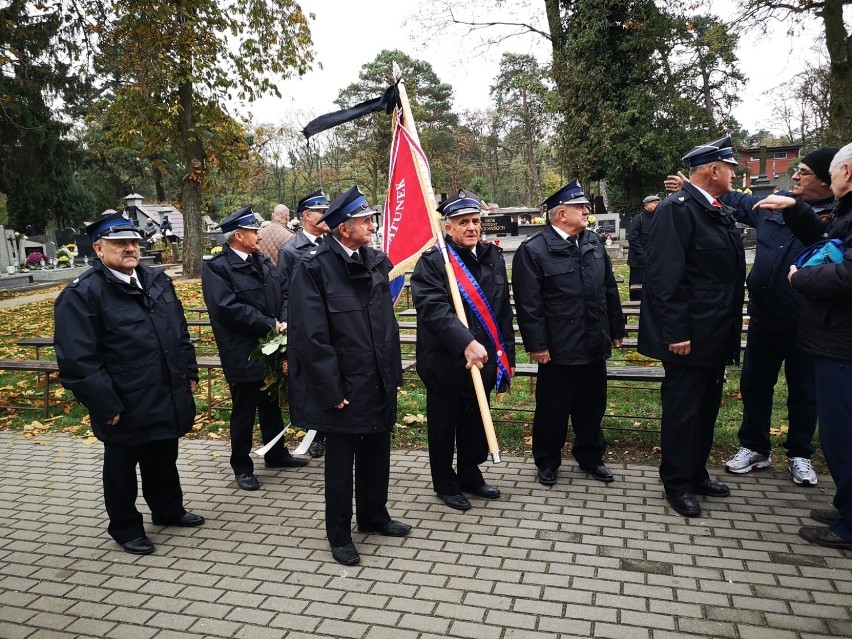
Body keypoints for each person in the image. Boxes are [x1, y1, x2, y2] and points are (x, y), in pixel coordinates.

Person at [666, 147, 838, 486]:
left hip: (808, 323)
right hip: (764, 319)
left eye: (804, 171)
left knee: (804, 391)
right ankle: (755, 446)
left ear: (827, 181)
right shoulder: (773, 204)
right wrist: (696, 184)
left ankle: (800, 452)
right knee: (755, 385)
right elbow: (736, 201)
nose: (797, 176)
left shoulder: (838, 216)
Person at [54, 211, 204, 555]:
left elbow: (178, 332)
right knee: (121, 468)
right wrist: (105, 404)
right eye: (119, 243)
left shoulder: (156, 280)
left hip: (164, 390)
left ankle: (168, 509)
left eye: (134, 242)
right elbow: (78, 361)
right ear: (99, 248)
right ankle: (125, 527)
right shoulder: (83, 295)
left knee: (164, 454)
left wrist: (189, 373)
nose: (130, 248)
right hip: (123, 400)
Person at [287, 186, 410, 566]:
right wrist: (330, 387)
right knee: (341, 466)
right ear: (344, 229)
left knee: (377, 454)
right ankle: (339, 534)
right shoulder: (313, 267)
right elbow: (311, 336)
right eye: (365, 221)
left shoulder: (375, 262)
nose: (373, 226)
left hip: (376, 378)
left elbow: (385, 325)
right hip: (343, 384)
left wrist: (393, 373)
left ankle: (374, 516)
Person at [638, 136, 746, 518]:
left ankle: (696, 473)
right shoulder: (677, 210)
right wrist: (677, 332)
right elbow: (665, 278)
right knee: (684, 411)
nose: (735, 174)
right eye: (730, 168)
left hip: (714, 333)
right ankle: (677, 482)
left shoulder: (714, 209)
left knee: (705, 408)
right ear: (713, 170)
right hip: (689, 336)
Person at [754, 142, 852, 551]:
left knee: (843, 433)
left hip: (843, 344)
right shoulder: (846, 212)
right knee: (838, 433)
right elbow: (830, 241)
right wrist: (794, 211)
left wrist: (800, 280)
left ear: (847, 173)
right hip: (832, 338)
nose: (829, 180)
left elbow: (847, 275)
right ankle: (847, 508)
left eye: (831, 172)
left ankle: (849, 526)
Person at [512, 180, 625, 487]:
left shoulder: (592, 242)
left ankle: (590, 457)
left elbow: (609, 289)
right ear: (561, 214)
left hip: (594, 343)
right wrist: (537, 345)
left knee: (592, 405)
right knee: (553, 410)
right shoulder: (533, 250)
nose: (587, 211)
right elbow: (528, 304)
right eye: (580, 207)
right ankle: (547, 462)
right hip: (559, 349)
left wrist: (616, 328)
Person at [410, 189, 516, 511]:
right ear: (448, 227)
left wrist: (504, 356)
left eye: (475, 221)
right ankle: (445, 483)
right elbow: (432, 308)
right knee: (443, 426)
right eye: (463, 222)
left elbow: (501, 312)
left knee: (474, 423)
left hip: (484, 359)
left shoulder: (492, 256)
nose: (472, 227)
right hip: (446, 361)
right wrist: (465, 343)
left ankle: (471, 474)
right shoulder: (432, 262)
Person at [201, 206, 307, 492]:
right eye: (253, 231)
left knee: (271, 404)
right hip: (244, 351)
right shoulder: (217, 268)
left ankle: (276, 454)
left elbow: (284, 291)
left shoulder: (261, 261)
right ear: (238, 235)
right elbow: (227, 310)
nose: (259, 236)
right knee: (244, 411)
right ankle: (242, 466)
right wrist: (269, 323)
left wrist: (283, 319)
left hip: (271, 346)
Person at [277, 189, 331, 457]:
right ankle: (317, 433)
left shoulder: (331, 243)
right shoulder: (290, 250)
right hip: (308, 323)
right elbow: (285, 292)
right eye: (321, 211)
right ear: (307, 216)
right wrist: (288, 323)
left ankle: (334, 428)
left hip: (335, 321)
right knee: (315, 377)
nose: (326, 215)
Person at [627, 195, 660, 301]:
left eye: (658, 202)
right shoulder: (639, 218)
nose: (657, 205)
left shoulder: (658, 218)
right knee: (637, 289)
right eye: (654, 203)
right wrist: (643, 256)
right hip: (638, 262)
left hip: (654, 261)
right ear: (646, 205)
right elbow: (633, 239)